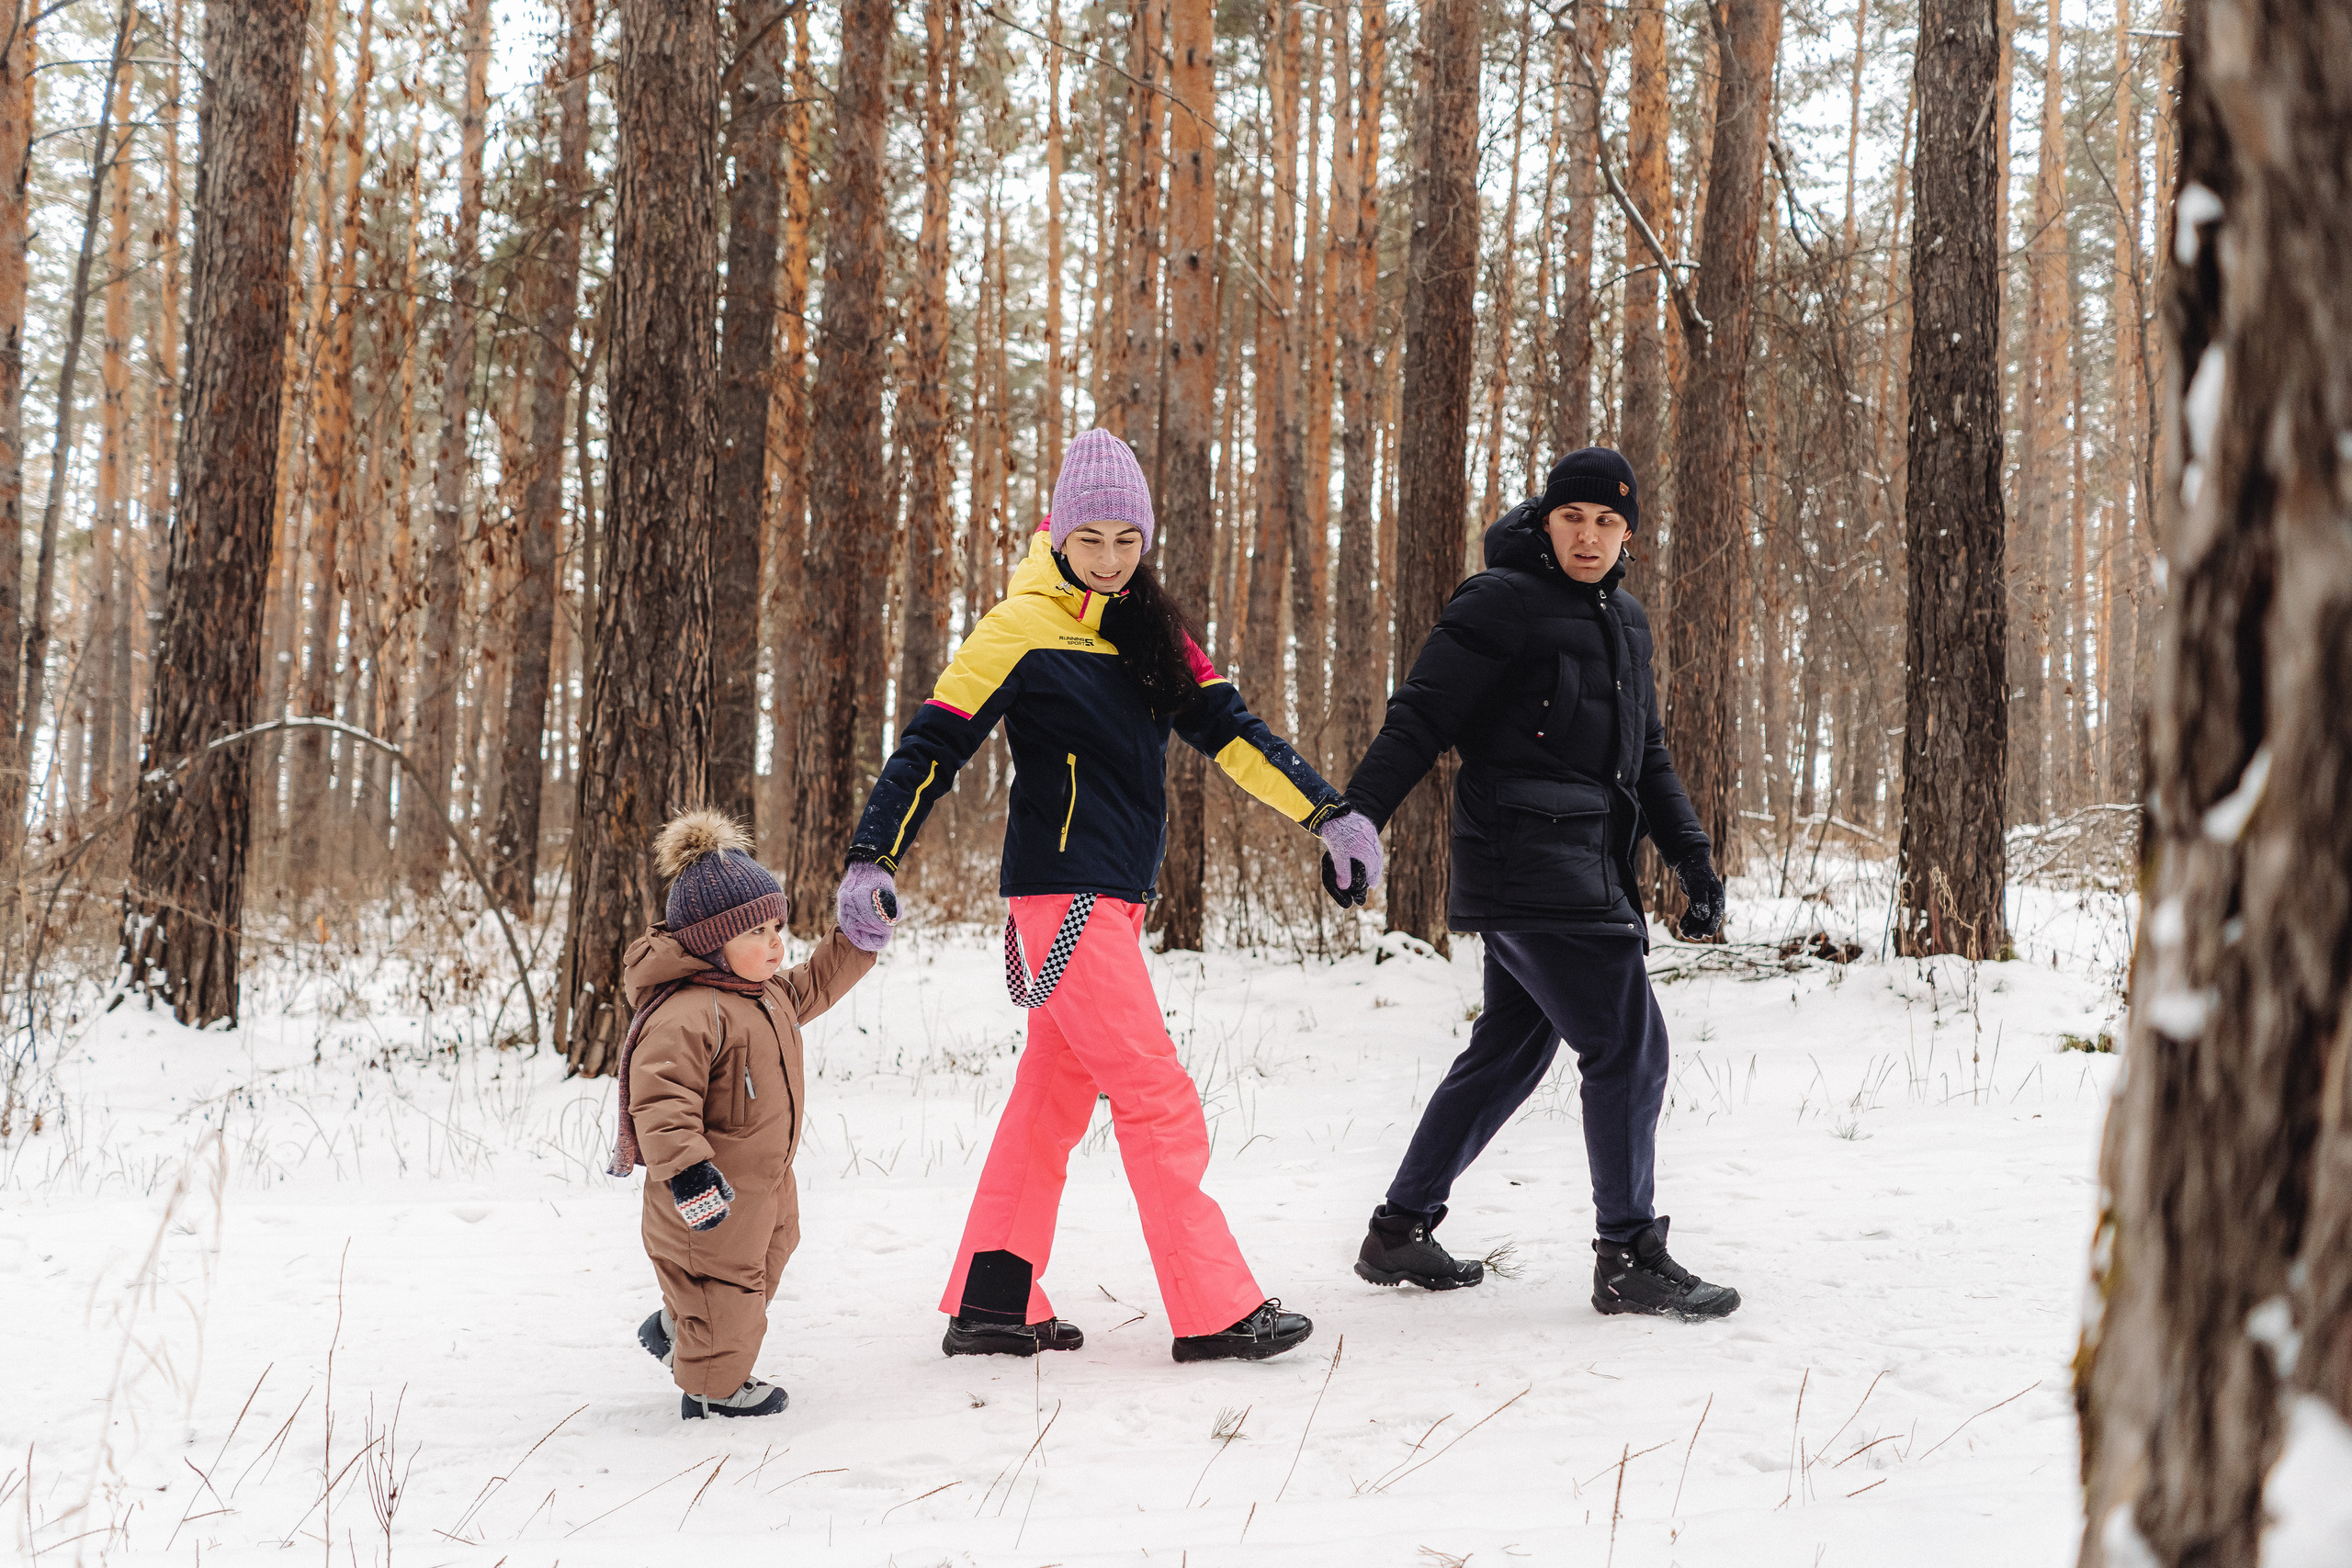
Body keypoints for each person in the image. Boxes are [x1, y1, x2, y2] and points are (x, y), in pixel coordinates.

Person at [836, 428, 1384, 1363]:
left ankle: (993, 1301)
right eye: (1089, 537)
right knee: (1156, 1095)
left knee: (1050, 1100)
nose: (1109, 556)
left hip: (1112, 898)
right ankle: (1214, 1309)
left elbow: (1235, 735)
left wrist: (1330, 815)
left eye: (1126, 539)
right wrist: (871, 857)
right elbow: (933, 746)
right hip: (1067, 894)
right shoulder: (1018, 627)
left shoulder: (1149, 632)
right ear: (1056, 532)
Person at [1334, 446, 1740, 1321]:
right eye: (1573, 518)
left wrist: (1692, 858)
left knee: (1512, 1049)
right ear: (1544, 520)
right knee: (1631, 1045)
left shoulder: (1625, 619)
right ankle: (1628, 1251)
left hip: (1592, 863)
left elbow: (1648, 755)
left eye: (1607, 521)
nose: (1588, 536)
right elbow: (1422, 714)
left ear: (1629, 531)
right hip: (1528, 858)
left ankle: (1399, 1228)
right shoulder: (1500, 601)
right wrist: (1358, 814)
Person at [607, 809, 884, 1418]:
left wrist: (859, 933)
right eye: (756, 931)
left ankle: (682, 1326)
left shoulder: (767, 993)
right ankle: (713, 1389)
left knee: (770, 1256)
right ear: (712, 943)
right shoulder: (688, 1012)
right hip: (710, 1193)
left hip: (766, 1186)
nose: (776, 943)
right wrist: (689, 1174)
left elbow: (818, 979)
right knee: (729, 1290)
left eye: (777, 925)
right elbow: (660, 1100)